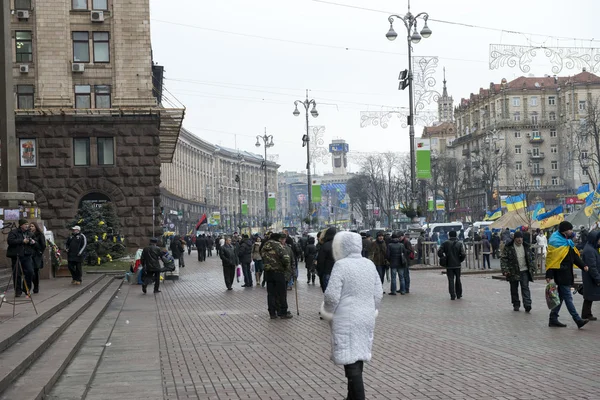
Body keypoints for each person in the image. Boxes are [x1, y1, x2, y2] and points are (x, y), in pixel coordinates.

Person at [321, 231, 383, 400]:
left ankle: (358, 397)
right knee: (358, 354)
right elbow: (378, 293)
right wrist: (372, 308)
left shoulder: (341, 265)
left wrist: (328, 311)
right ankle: (351, 396)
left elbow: (332, 296)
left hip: (346, 317)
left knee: (350, 362)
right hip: (366, 316)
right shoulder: (369, 264)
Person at [545, 221, 590, 329]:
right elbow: (551, 260)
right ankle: (577, 320)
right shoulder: (555, 242)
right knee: (568, 299)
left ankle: (553, 318)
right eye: (570, 229)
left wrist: (583, 266)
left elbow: (574, 257)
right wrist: (549, 275)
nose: (572, 231)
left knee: (560, 298)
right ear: (565, 231)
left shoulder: (567, 242)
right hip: (561, 275)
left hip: (567, 274)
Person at [500, 231, 535, 312]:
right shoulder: (509, 247)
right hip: (513, 271)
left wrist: (532, 267)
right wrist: (505, 270)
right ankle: (516, 304)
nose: (520, 239)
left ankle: (527, 304)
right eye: (518, 238)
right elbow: (503, 259)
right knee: (514, 289)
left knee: (525, 287)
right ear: (514, 238)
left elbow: (531, 258)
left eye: (521, 237)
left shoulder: (526, 246)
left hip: (524, 270)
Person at [260, 233, 292, 319]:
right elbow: (286, 258)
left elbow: (262, 256)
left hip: (268, 272)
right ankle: (283, 312)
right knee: (281, 293)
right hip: (278, 271)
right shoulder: (278, 246)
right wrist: (285, 267)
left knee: (271, 293)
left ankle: (272, 312)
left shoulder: (264, 246)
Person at [6, 219, 36, 297]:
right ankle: (18, 290)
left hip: (27, 255)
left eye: (27, 224)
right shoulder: (14, 232)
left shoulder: (29, 233)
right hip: (17, 256)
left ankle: (27, 289)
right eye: (25, 224)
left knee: (30, 271)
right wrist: (22, 241)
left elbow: (34, 241)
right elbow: (10, 241)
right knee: (17, 274)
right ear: (21, 225)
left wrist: (32, 242)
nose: (27, 226)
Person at [437, 230, 465, 300]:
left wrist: (443, 258)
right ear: (456, 235)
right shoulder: (459, 243)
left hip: (449, 264)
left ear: (449, 235)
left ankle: (452, 294)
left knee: (451, 280)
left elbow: (439, 252)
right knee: (458, 279)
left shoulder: (445, 243)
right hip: (457, 265)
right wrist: (460, 260)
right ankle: (459, 294)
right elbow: (463, 254)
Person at [579, 230, 600, 321]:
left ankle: (586, 314)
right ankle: (586, 314)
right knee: (589, 296)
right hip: (591, 278)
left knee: (589, 297)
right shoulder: (590, 250)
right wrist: (598, 278)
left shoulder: (591, 248)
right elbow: (592, 267)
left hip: (591, 277)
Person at [316, 227, 337, 293]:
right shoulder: (339, 245)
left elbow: (320, 262)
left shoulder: (325, 246)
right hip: (337, 273)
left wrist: (320, 273)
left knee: (328, 295)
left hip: (327, 273)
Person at [29, 222, 46, 294]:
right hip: (29, 255)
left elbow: (43, 245)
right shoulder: (28, 234)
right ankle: (33, 285)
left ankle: (36, 286)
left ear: (36, 227)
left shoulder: (40, 234)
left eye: (32, 226)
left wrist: (35, 244)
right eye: (30, 226)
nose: (31, 227)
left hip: (36, 255)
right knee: (31, 271)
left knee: (35, 271)